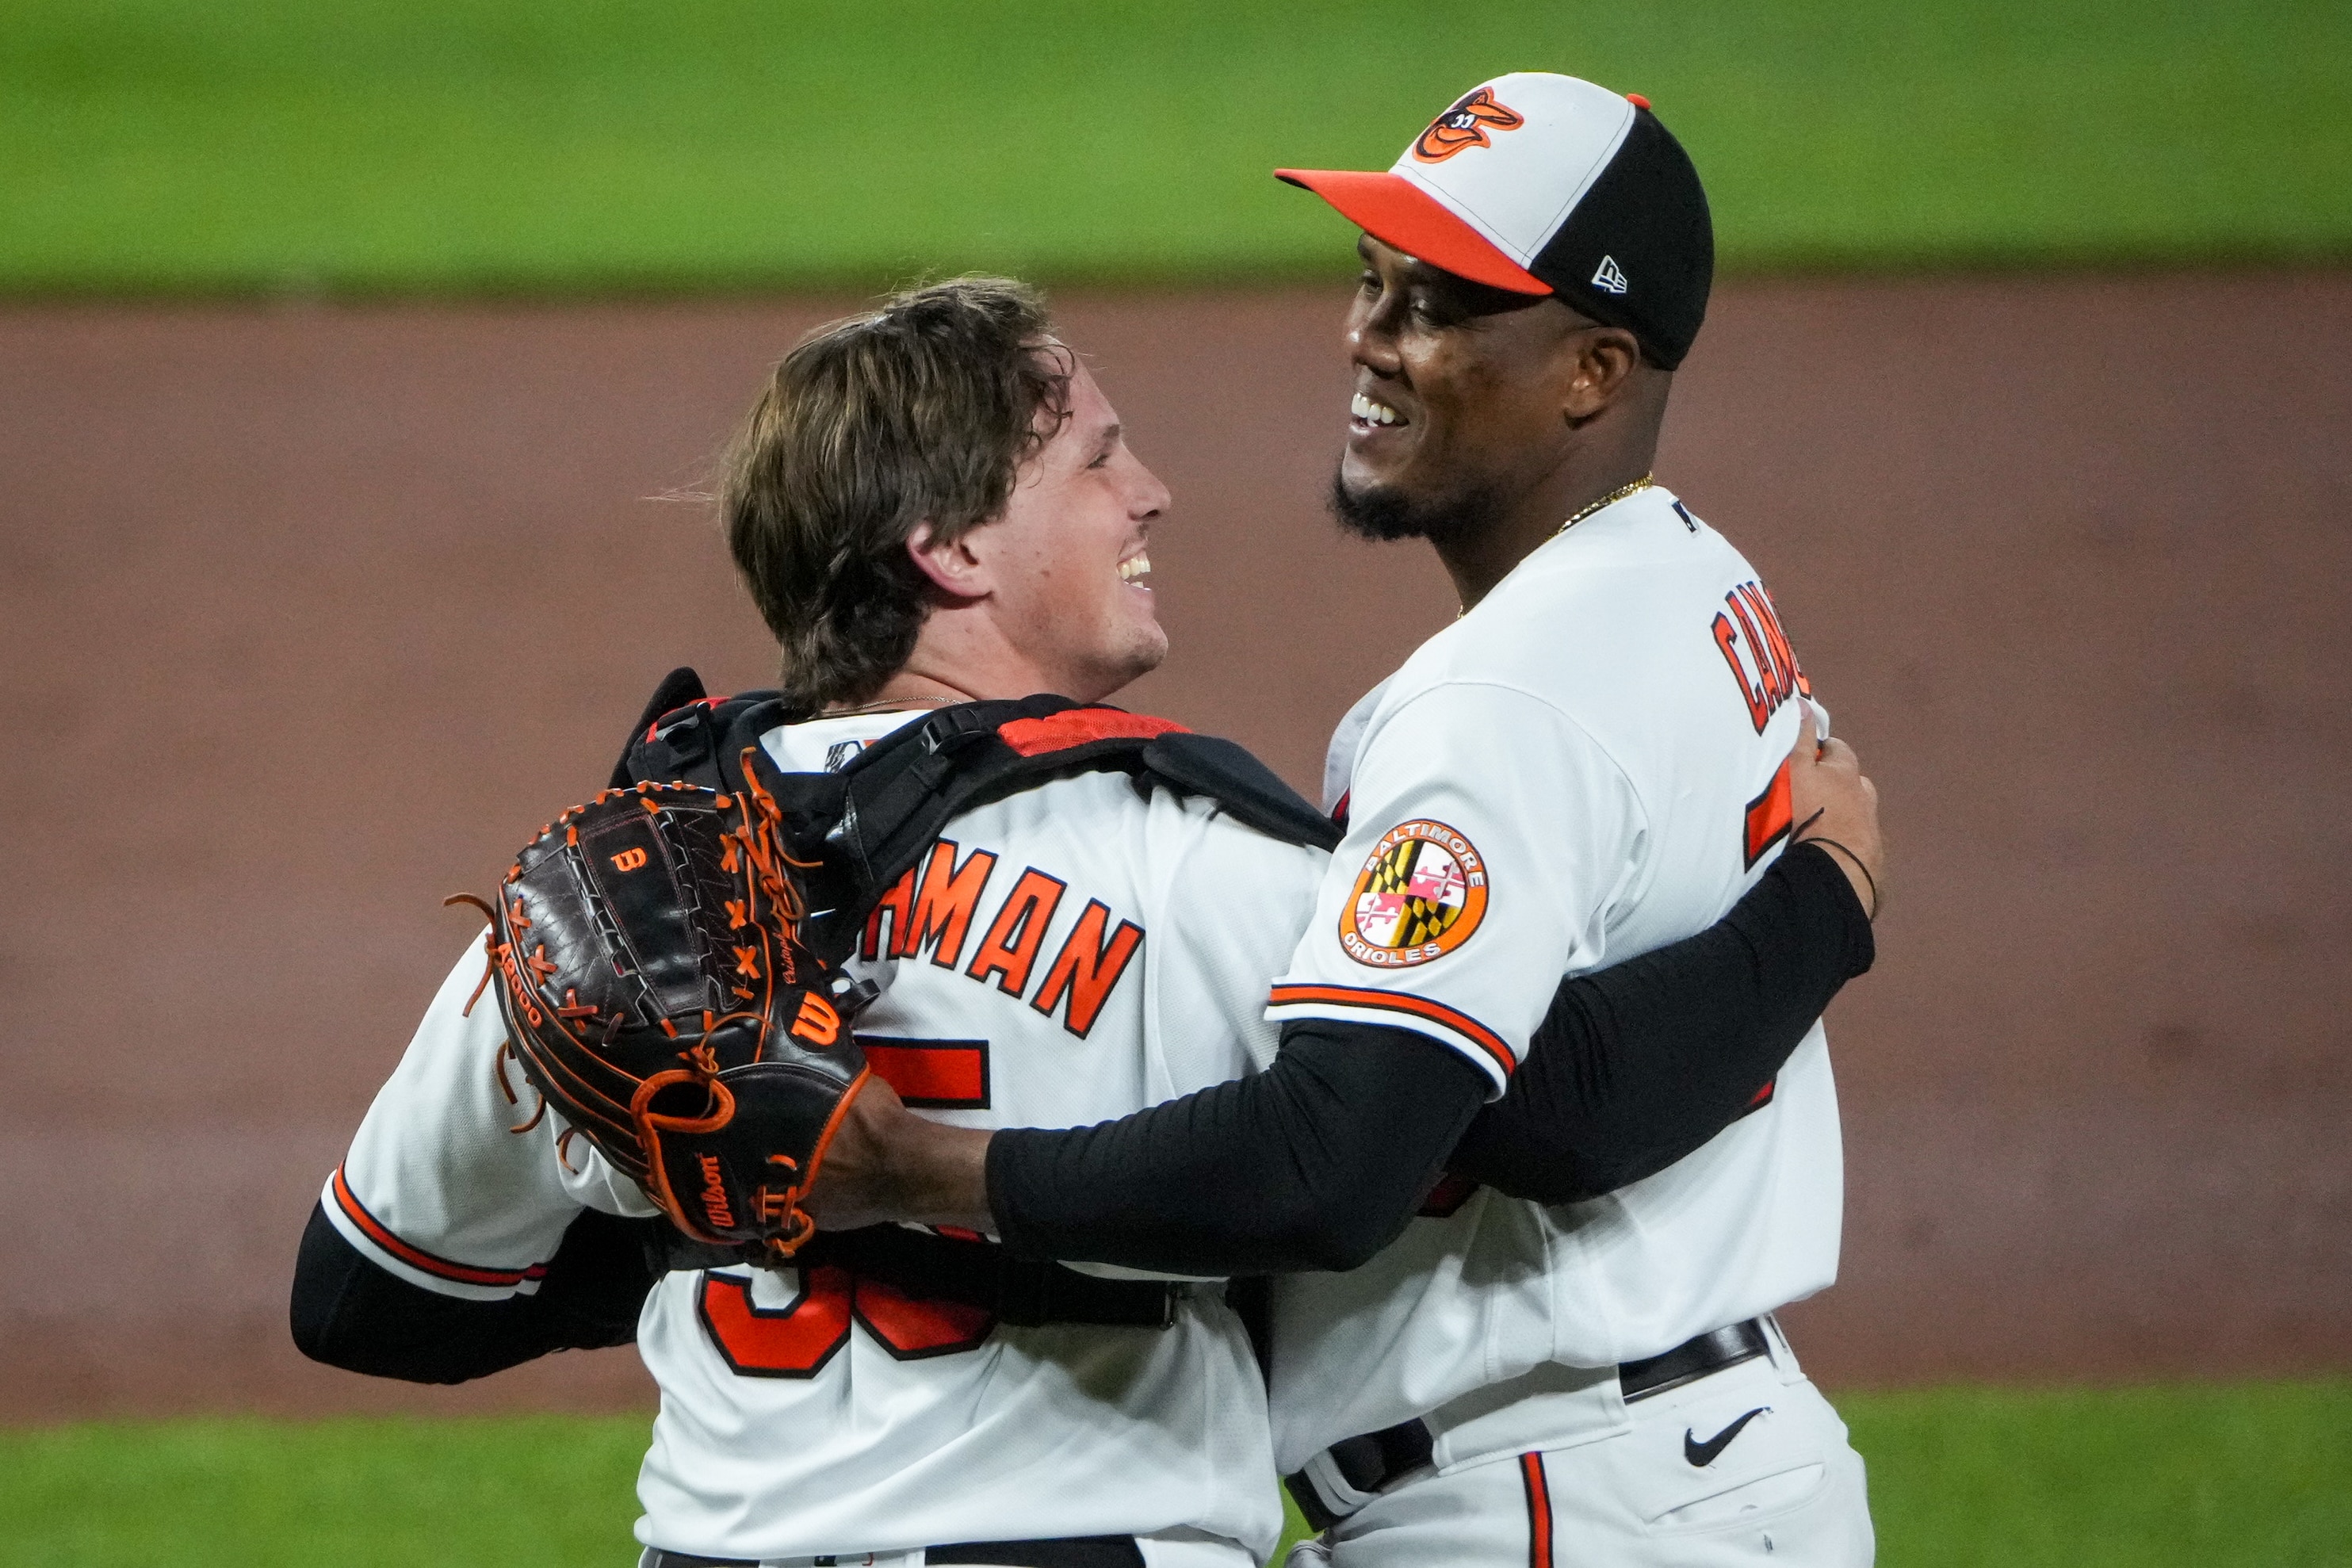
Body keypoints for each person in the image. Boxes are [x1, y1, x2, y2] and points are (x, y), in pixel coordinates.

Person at [293, 273, 1881, 1566]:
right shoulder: (1189, 863)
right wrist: (1827, 891)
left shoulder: (603, 905)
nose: (1153, 492)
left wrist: (711, 1211)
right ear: (953, 548)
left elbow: (363, 1299)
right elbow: (1554, 1108)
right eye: (1098, 460)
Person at [811, 73, 1880, 1566]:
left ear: (1593, 369)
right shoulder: (1693, 581)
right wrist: (1831, 900)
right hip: (1678, 1459)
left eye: (1440, 303)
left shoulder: (1498, 705)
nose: (1372, 337)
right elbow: (1549, 1077)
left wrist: (914, 1168)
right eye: (1373, 282)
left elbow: (1365, 1151)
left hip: (1559, 1494)